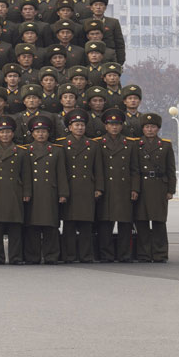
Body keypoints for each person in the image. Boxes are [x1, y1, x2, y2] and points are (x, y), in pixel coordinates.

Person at [95, 110, 138, 263]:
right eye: (111, 124)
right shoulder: (98, 143)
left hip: (124, 188)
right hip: (106, 188)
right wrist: (98, 188)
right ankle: (106, 255)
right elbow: (97, 168)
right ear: (105, 126)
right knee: (105, 224)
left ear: (122, 126)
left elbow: (134, 169)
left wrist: (135, 188)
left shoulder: (130, 144)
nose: (114, 127)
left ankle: (124, 254)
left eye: (117, 124)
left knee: (125, 224)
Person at [59, 112, 102, 264]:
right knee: (69, 225)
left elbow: (98, 169)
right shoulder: (62, 144)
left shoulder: (93, 145)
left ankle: (86, 255)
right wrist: (62, 191)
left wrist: (98, 188)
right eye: (76, 125)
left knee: (86, 225)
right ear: (69, 127)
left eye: (82, 125)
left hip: (86, 189)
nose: (79, 128)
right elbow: (60, 171)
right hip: (70, 189)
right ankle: (69, 255)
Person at [24, 118, 68, 265]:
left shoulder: (56, 150)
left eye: (44, 131)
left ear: (48, 133)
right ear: (32, 134)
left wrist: (63, 193)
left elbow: (61, 173)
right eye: (37, 131)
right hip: (33, 192)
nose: (41, 134)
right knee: (32, 225)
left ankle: (51, 256)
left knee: (51, 225)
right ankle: (32, 256)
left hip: (50, 191)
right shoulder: (26, 150)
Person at [0, 118, 28, 265]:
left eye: (8, 132)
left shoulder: (21, 152)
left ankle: (15, 257)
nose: (5, 135)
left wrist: (27, 192)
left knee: (15, 226)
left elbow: (26, 174)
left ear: (13, 133)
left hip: (15, 191)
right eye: (2, 132)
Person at [135, 114, 176, 263]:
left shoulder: (165, 145)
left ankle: (160, 254)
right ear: (143, 129)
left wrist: (171, 190)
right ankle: (144, 254)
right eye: (147, 127)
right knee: (142, 221)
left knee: (159, 222)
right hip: (142, 186)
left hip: (160, 186)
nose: (150, 130)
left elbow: (171, 169)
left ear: (158, 129)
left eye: (153, 127)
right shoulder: (136, 144)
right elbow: (133, 169)